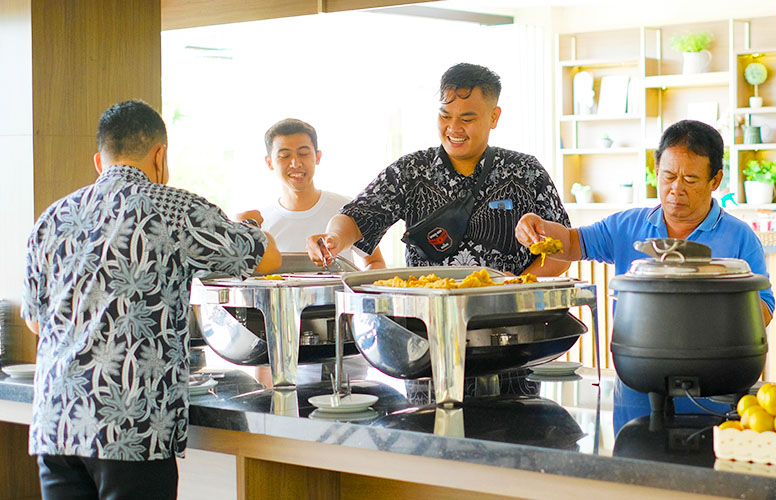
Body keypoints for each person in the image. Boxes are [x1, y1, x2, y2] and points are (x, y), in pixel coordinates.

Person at [21, 100, 281, 500]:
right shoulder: (173, 208)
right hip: (131, 427)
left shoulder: (52, 218)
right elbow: (268, 258)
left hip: (57, 424)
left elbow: (36, 322)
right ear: (160, 155)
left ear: (99, 161)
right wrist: (247, 224)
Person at [514, 119, 775, 427]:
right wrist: (538, 229)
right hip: (637, 386)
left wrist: (707, 314)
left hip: (715, 392)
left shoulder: (740, 237)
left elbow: (764, 308)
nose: (676, 189)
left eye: (690, 179)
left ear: (715, 179)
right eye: (668, 176)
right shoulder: (628, 226)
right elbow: (571, 243)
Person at [307, 63, 571, 277]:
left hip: (508, 315)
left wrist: (519, 284)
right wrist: (333, 238)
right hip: (428, 314)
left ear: (494, 116)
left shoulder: (526, 172)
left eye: (467, 119)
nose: (453, 128)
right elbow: (357, 216)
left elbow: (563, 250)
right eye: (445, 116)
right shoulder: (411, 171)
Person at [235, 118, 385, 270]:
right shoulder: (260, 223)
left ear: (317, 157)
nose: (295, 163)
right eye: (285, 156)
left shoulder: (347, 211)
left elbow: (375, 263)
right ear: (269, 163)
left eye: (303, 153)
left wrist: (356, 284)